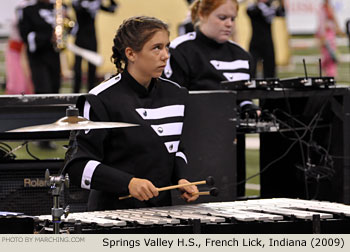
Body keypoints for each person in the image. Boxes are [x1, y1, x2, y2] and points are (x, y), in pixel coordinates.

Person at [65, 16, 199, 211]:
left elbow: (176, 149)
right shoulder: (101, 99)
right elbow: (78, 167)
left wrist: (182, 178)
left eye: (166, 47)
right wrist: (128, 182)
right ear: (131, 54)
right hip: (112, 214)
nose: (165, 55)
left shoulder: (176, 94)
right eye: (156, 48)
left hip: (161, 211)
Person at [163, 0, 258, 197]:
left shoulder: (242, 55)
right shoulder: (180, 50)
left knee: (234, 199)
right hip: (193, 145)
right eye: (222, 18)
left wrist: (249, 106)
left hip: (232, 144)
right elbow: (171, 100)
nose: (229, 24)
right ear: (202, 16)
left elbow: (242, 97)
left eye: (232, 19)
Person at [71, 0, 118, 93]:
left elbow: (112, 9)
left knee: (92, 67)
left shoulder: (96, 2)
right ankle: (75, 91)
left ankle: (91, 91)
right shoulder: (79, 2)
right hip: (80, 37)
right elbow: (78, 8)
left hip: (92, 37)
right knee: (77, 67)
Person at [18, 0, 61, 94]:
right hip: (38, 57)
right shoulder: (28, 10)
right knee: (43, 90)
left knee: (55, 88)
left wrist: (66, 21)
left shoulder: (57, 8)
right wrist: (49, 37)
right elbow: (26, 36)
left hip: (54, 55)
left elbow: (73, 28)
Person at [247, 0, 285, 78]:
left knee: (270, 70)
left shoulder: (271, 7)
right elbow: (253, 12)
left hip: (268, 42)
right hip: (255, 42)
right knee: (252, 69)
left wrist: (282, 3)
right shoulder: (253, 8)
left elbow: (281, 13)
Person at [5, 0, 33, 95]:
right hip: (16, 48)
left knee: (27, 81)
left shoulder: (30, 7)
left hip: (25, 48)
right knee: (17, 83)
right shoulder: (21, 7)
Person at [316, 0, 344, 77]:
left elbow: (334, 19)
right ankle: (326, 70)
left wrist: (338, 29)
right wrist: (321, 36)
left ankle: (330, 73)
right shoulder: (322, 9)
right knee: (328, 54)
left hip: (331, 33)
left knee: (331, 55)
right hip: (325, 34)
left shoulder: (330, 7)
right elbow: (321, 23)